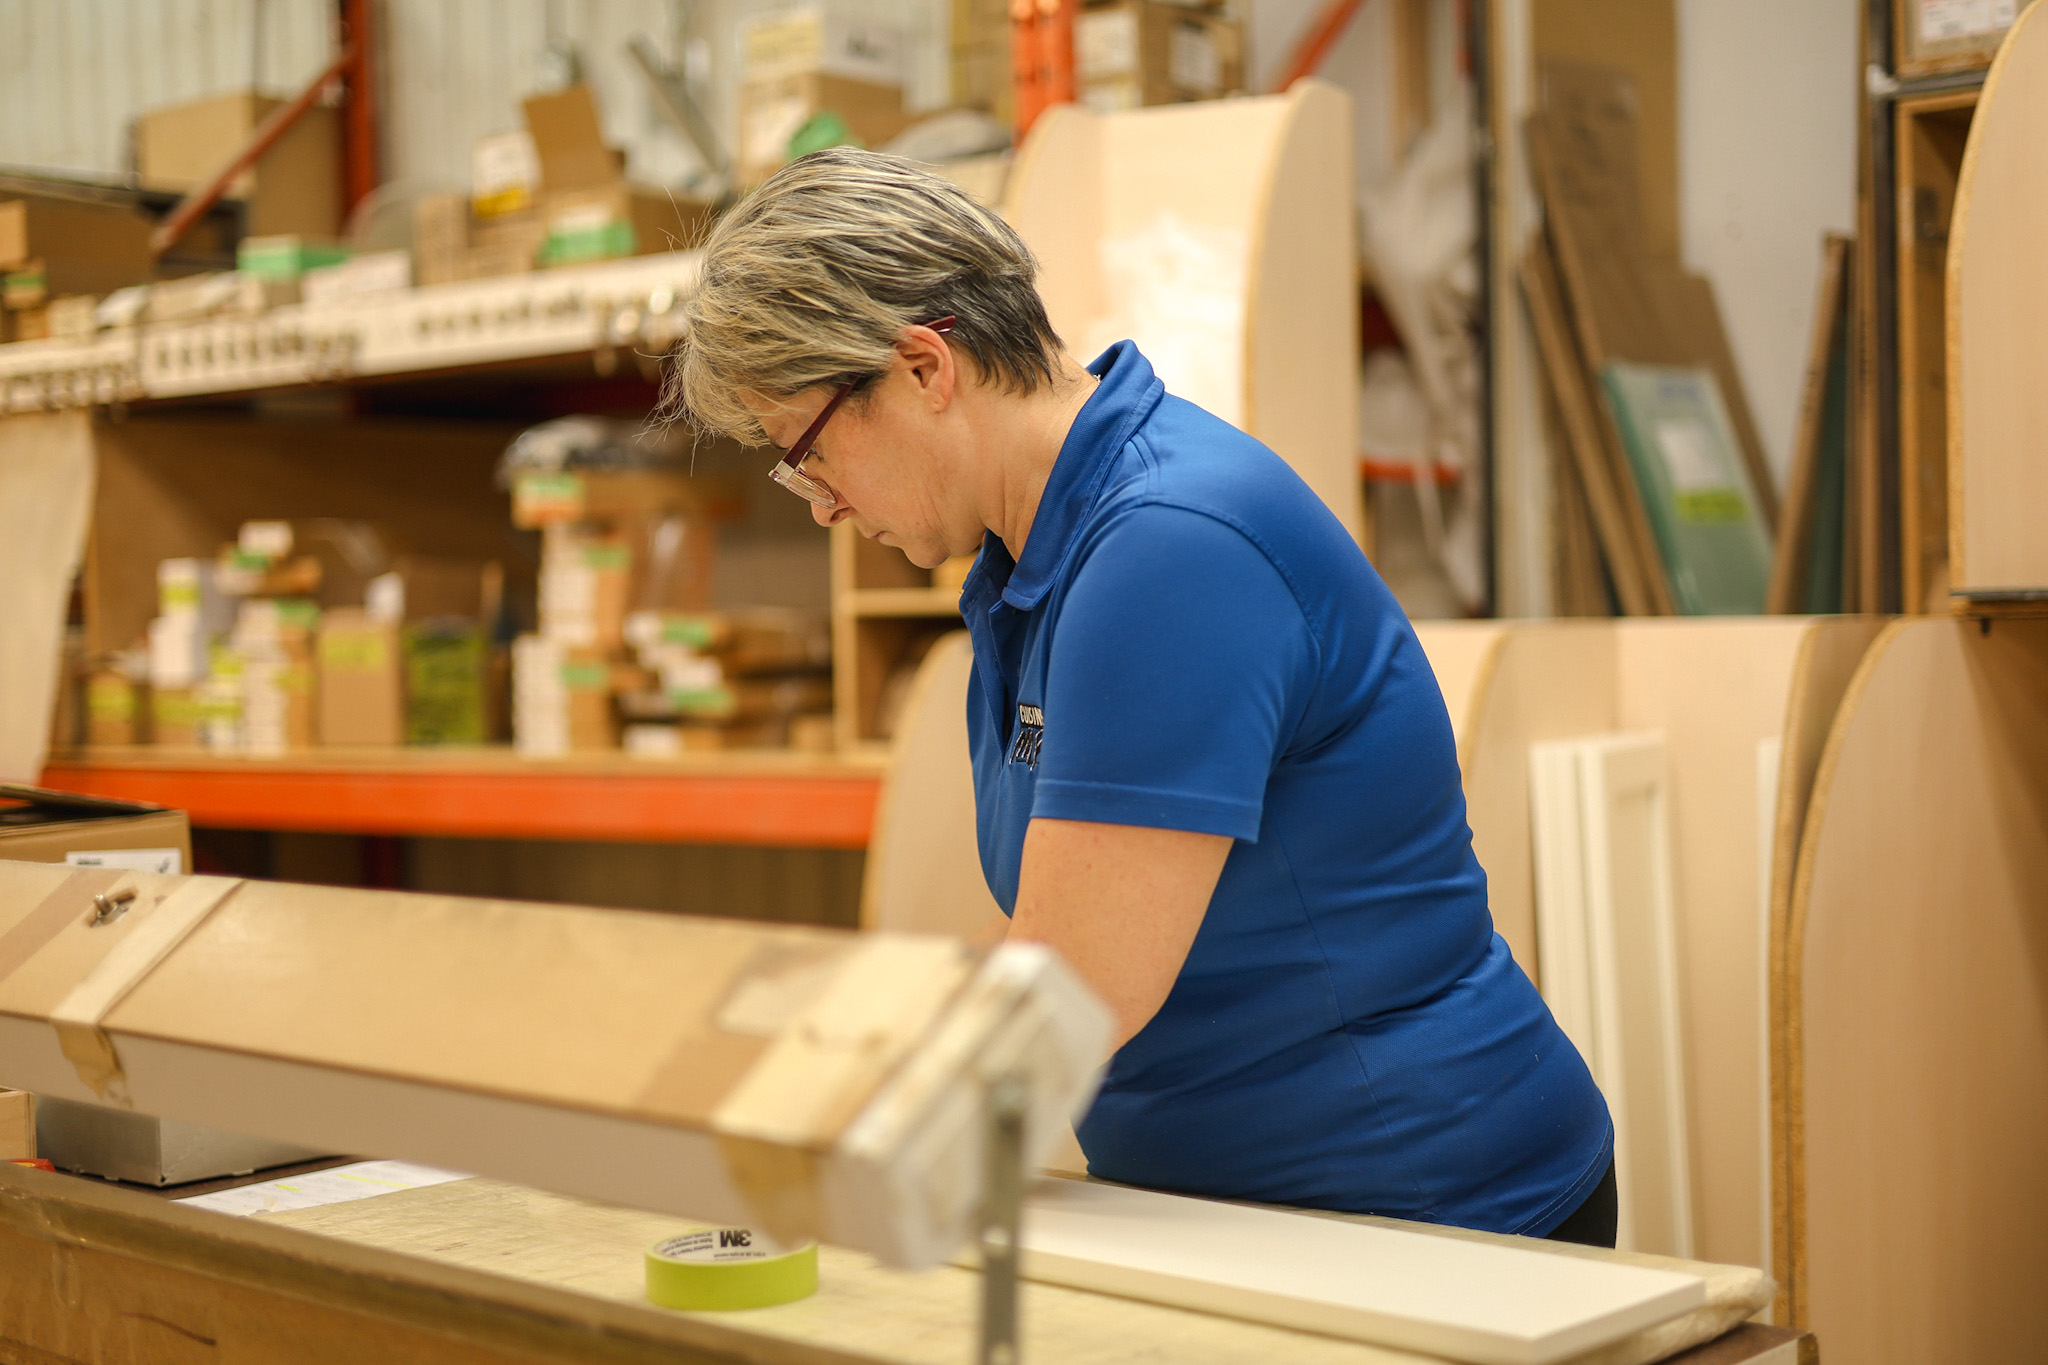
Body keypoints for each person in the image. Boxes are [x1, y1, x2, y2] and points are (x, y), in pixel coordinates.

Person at [665, 147, 1617, 1246]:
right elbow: (1054, 921)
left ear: (923, 368)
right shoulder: (1032, 556)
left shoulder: (1166, 546)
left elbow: (1078, 987)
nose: (820, 508)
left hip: (1422, 1207)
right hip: (1241, 1204)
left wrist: (822, 1168)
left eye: (808, 456)